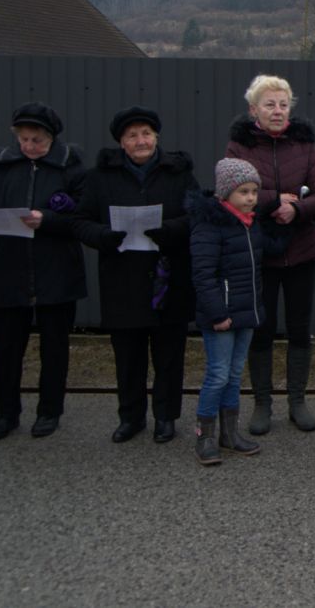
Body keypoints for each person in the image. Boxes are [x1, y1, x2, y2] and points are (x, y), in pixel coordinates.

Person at [74, 107, 198, 443]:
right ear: (121, 142)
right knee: (128, 356)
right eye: (132, 136)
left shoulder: (179, 173)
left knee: (169, 355)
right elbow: (81, 221)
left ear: (156, 137)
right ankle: (131, 417)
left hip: (168, 278)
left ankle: (166, 417)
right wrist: (103, 236)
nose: (141, 141)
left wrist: (169, 229)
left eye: (146, 134)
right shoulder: (99, 177)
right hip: (122, 279)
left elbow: (196, 215)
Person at [0, 103, 87, 441]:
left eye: (37, 140)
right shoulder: (1, 167)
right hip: (8, 271)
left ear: (51, 138)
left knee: (55, 348)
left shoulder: (70, 168)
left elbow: (84, 216)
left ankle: (49, 411)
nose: (29, 146)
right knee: (6, 350)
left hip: (56, 272)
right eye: (23, 139)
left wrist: (47, 220)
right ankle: (5, 414)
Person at [227, 74, 315, 435]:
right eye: (270, 104)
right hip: (258, 250)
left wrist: (297, 209)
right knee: (262, 329)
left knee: (300, 328)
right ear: (254, 109)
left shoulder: (306, 145)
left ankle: (297, 401)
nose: (278, 111)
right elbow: (230, 191)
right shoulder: (239, 146)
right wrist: (272, 202)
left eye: (283, 104)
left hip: (302, 249)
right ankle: (262, 404)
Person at [188, 159, 280, 466]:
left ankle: (229, 434)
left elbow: (268, 252)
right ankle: (204, 437)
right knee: (217, 375)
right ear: (225, 193)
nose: (251, 198)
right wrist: (217, 314)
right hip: (222, 317)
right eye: (243, 192)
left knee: (234, 375)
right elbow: (203, 275)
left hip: (246, 314)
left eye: (254, 191)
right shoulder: (209, 225)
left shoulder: (250, 224)